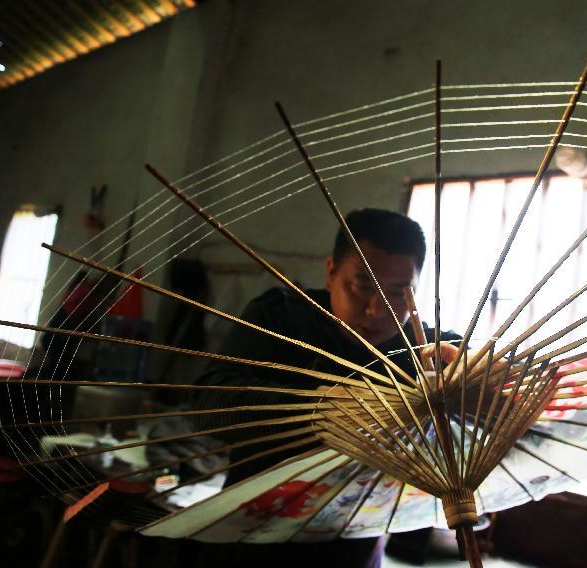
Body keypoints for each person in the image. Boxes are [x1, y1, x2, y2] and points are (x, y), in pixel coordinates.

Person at [192, 208, 459, 568]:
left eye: (399, 294)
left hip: (353, 549)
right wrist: (318, 408)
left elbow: (474, 361)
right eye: (362, 287)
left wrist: (481, 375)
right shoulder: (281, 318)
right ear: (332, 271)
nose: (377, 310)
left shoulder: (423, 350)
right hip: (251, 542)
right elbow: (209, 402)